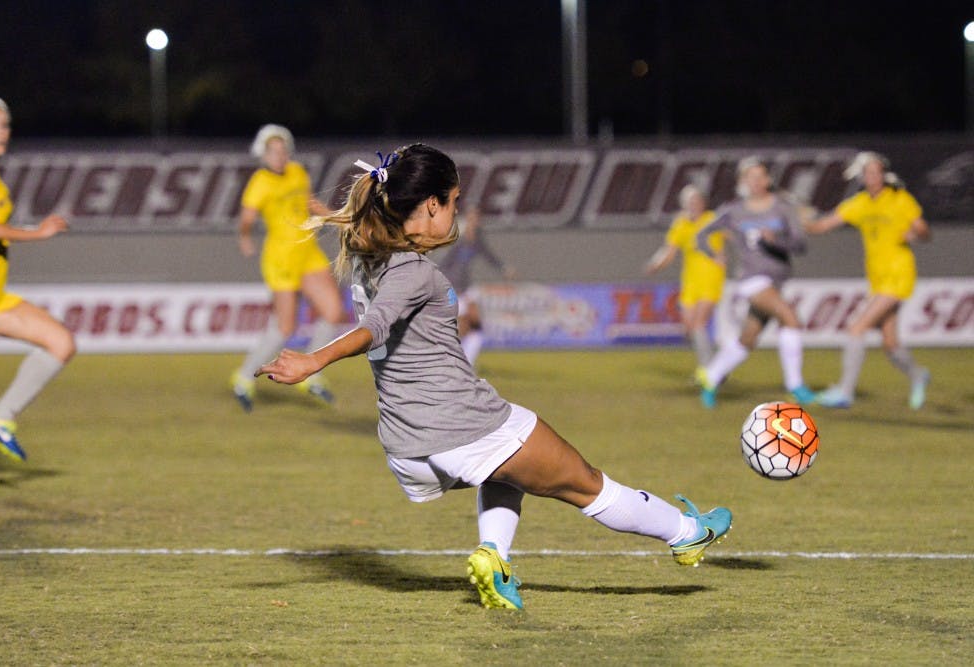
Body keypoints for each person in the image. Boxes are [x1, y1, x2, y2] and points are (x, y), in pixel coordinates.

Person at [257, 144, 731, 610]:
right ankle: (687, 533)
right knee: (587, 483)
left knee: (504, 469)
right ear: (430, 204)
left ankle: (494, 559)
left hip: (407, 440)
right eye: (453, 201)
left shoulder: (369, 256)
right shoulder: (410, 271)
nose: (456, 212)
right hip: (461, 423)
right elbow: (374, 327)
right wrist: (314, 361)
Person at [0, 92, 75, 461]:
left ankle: (0, 417)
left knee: (60, 342)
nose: (1, 132)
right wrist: (37, 233)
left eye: (4, 125)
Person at [230, 124, 347, 411]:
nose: (279, 155)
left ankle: (312, 372)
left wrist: (338, 218)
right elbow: (246, 218)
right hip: (280, 259)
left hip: (307, 253)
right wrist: (244, 238)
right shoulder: (260, 181)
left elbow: (308, 202)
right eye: (273, 151)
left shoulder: (296, 172)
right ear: (263, 154)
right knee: (284, 327)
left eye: (282, 150)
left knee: (333, 312)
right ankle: (244, 376)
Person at [805, 152, 931, 409]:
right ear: (862, 177)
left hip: (898, 275)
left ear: (883, 174)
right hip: (878, 280)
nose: (873, 176)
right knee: (890, 344)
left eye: (877, 171)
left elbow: (924, 230)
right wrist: (800, 219)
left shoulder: (899, 199)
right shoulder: (860, 204)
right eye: (868, 172)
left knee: (856, 328)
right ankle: (919, 375)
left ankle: (845, 392)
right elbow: (821, 226)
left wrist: (915, 233)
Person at [694, 157, 814, 408]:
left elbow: (801, 245)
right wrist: (713, 254)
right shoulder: (734, 210)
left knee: (748, 339)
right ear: (743, 182)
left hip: (776, 281)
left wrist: (776, 242)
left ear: (768, 180)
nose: (756, 182)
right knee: (790, 318)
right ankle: (796, 386)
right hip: (752, 280)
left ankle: (711, 378)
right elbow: (702, 234)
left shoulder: (782, 208)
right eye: (750, 177)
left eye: (760, 176)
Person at [643, 184, 726, 370]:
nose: (694, 205)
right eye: (690, 202)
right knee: (689, 327)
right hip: (690, 281)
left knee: (699, 324)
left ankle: (710, 371)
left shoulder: (712, 219)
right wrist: (655, 265)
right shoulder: (681, 225)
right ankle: (715, 364)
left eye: (697, 201)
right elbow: (669, 252)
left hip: (711, 277)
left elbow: (733, 233)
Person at [436, 206, 514, 366]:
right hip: (453, 288)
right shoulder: (457, 241)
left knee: (473, 328)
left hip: (465, 288)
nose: (475, 221)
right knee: (465, 328)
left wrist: (503, 269)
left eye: (476, 218)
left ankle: (461, 362)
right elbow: (444, 264)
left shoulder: (476, 241)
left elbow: (489, 256)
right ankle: (452, 360)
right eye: (472, 218)